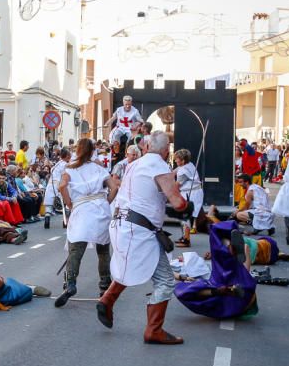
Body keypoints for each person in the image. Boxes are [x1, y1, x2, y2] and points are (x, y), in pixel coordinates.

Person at [97, 131, 190, 344]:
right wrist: (187, 204)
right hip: (139, 231)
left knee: (129, 265)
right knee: (166, 281)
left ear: (147, 147)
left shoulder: (134, 164)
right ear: (167, 151)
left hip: (122, 224)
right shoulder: (159, 166)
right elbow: (177, 203)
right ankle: (154, 330)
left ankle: (107, 300)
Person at [55, 138, 118, 308]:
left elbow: (61, 187)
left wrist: (69, 204)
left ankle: (70, 284)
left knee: (76, 249)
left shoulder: (69, 169)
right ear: (92, 152)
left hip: (81, 209)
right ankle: (104, 286)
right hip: (100, 209)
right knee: (103, 251)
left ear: (77, 150)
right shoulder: (99, 168)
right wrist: (107, 202)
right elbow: (115, 188)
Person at [173, 149, 204, 248]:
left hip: (191, 193)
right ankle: (184, 237)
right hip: (193, 192)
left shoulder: (184, 171)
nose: (175, 161)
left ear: (182, 160)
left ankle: (186, 240)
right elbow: (174, 171)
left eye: (177, 159)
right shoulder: (189, 164)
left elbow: (176, 186)